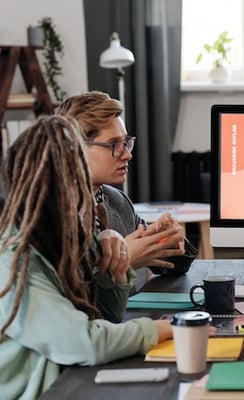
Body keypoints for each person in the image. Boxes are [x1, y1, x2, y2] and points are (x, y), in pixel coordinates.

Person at [0, 116, 173, 400]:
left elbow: (108, 317)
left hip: (72, 381)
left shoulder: (64, 235)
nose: (87, 195)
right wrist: (157, 329)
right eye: (77, 183)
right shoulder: (12, 260)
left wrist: (112, 265)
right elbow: (84, 342)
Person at [56, 91, 188, 288]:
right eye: (114, 145)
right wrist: (125, 261)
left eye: (126, 143)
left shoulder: (117, 201)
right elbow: (63, 298)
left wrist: (163, 239)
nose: (127, 155)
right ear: (75, 147)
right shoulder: (52, 213)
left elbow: (169, 267)